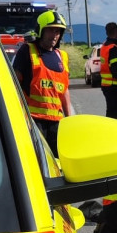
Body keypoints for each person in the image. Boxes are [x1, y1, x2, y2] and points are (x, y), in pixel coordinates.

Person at [12, 10, 72, 157]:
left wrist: (69, 120)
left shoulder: (62, 57)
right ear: (41, 31)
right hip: (34, 121)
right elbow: (14, 86)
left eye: (58, 31)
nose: (55, 35)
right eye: (51, 30)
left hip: (57, 123)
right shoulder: (27, 51)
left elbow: (64, 91)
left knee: (58, 161)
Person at [99, 22, 117, 120]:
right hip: (112, 86)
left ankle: (108, 132)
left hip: (106, 85)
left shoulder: (105, 46)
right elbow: (115, 69)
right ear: (116, 31)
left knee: (112, 112)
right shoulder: (113, 48)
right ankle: (110, 133)